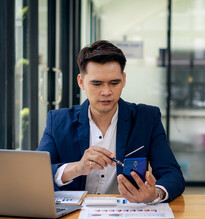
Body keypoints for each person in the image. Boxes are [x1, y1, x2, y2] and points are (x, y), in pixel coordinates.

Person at [37, 40, 185, 204]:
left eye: (114, 83)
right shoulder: (58, 121)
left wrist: (155, 193)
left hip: (128, 217)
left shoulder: (147, 118)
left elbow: (173, 175)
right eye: (97, 83)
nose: (106, 92)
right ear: (81, 82)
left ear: (124, 80)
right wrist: (77, 168)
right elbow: (35, 174)